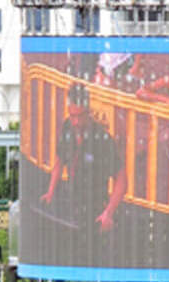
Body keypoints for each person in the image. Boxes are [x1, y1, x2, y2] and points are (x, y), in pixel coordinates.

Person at [42, 83, 127, 233]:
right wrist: (50, 191)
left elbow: (122, 180)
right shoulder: (67, 126)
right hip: (72, 205)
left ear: (88, 111)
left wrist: (109, 212)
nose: (76, 122)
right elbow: (59, 160)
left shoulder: (102, 139)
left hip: (95, 210)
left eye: (80, 116)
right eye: (72, 115)